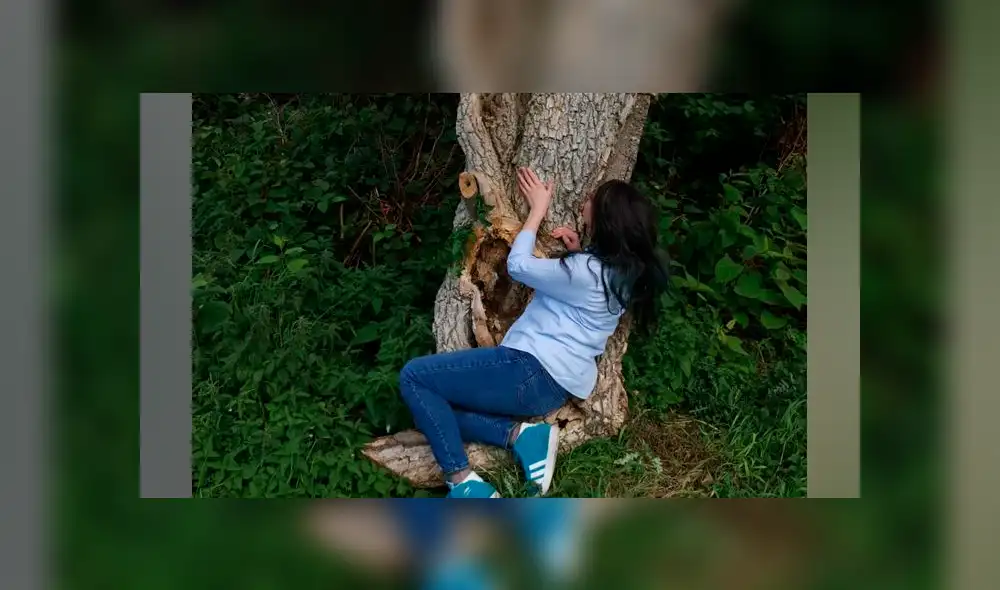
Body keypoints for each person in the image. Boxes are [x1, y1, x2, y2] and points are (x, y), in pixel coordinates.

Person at [398, 167, 670, 498]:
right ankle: (522, 436)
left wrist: (538, 209)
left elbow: (519, 267)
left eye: (591, 200)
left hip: (527, 369)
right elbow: (586, 292)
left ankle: (462, 482)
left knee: (415, 378)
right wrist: (579, 253)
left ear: (604, 218)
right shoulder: (622, 278)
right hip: (552, 386)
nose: (584, 202)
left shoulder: (586, 271)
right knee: (432, 409)